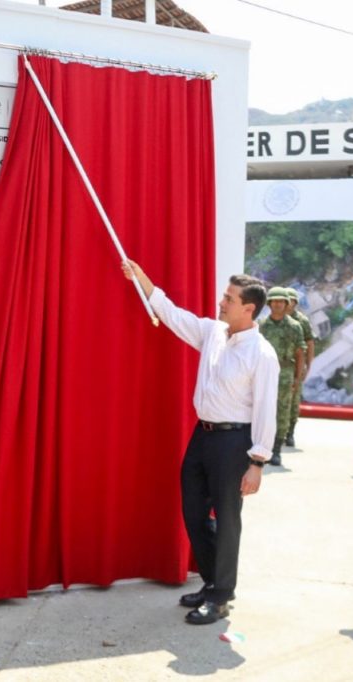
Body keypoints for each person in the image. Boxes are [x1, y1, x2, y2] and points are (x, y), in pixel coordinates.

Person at [122, 260, 278, 625]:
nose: (221, 302)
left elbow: (267, 411)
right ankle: (212, 583)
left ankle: (221, 596)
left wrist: (257, 462)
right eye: (224, 295)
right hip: (203, 435)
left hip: (234, 442)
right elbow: (171, 314)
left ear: (248, 308)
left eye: (229, 298)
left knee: (227, 520)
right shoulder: (212, 332)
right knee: (193, 512)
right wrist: (141, 276)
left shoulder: (262, 354)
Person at [257, 287, 303, 466]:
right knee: (260, 409)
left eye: (281, 301)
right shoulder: (261, 325)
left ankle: (276, 449)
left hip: (284, 373)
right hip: (263, 372)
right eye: (274, 301)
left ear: (286, 304)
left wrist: (297, 379)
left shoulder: (294, 327)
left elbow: (300, 353)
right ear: (269, 303)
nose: (277, 304)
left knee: (282, 412)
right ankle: (259, 447)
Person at [284, 287, 314, 447]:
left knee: (294, 402)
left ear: (295, 302)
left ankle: (290, 433)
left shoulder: (301, 321)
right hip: (277, 367)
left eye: (292, 300)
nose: (288, 304)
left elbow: (309, 343)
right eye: (286, 300)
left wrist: (308, 365)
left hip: (296, 367)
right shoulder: (275, 319)